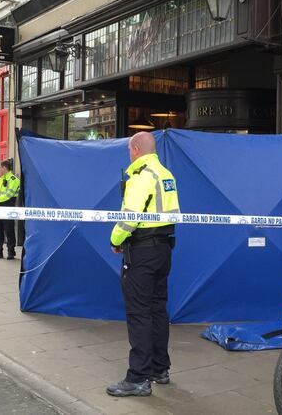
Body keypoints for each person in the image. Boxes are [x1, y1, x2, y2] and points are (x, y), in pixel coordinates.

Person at [107, 132, 180, 398]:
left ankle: (138, 378)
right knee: (158, 309)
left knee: (139, 313)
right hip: (163, 250)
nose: (129, 154)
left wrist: (115, 239)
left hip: (142, 253)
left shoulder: (141, 177)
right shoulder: (166, 175)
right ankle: (160, 369)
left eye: (129, 150)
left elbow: (130, 218)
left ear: (136, 149)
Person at [0, 159, 20, 260]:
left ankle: (11, 252)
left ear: (4, 168)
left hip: (8, 206)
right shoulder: (0, 179)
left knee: (9, 230)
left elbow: (9, 195)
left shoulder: (14, 180)